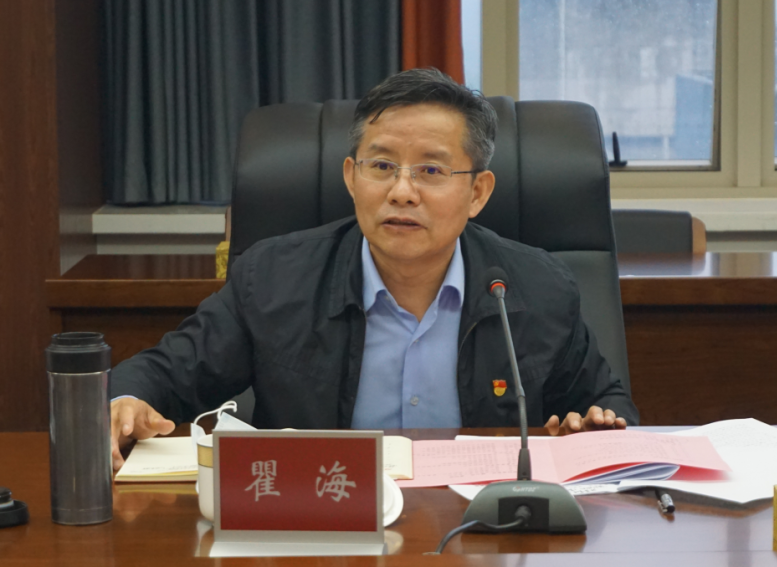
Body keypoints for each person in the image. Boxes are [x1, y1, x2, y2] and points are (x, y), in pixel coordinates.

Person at [110, 68, 639, 470]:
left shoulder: (536, 289)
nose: (402, 191)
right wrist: (125, 401)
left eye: (431, 170)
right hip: (322, 520)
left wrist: (594, 425)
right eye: (382, 166)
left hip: (484, 528)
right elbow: (164, 374)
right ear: (351, 177)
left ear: (478, 192)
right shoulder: (273, 278)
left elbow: (606, 406)